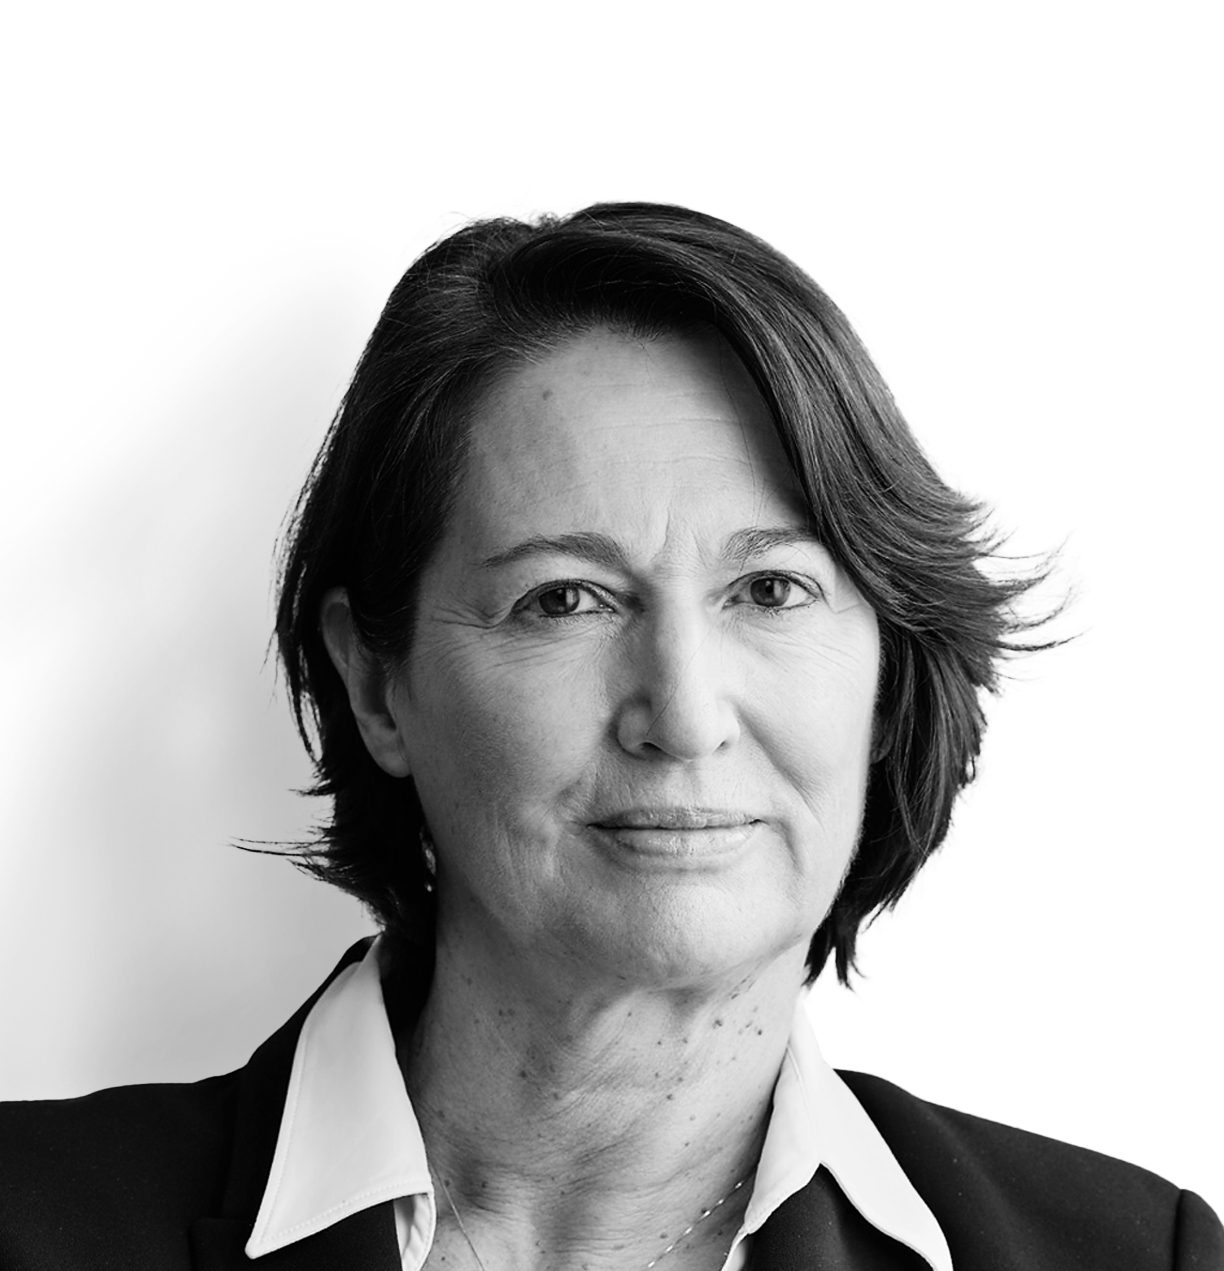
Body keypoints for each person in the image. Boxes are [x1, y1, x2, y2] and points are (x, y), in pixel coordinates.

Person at [1, 203, 1219, 1271]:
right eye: (564, 600)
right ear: (376, 682)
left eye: (772, 589)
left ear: (889, 677)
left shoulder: (1133, 1253)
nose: (683, 714)